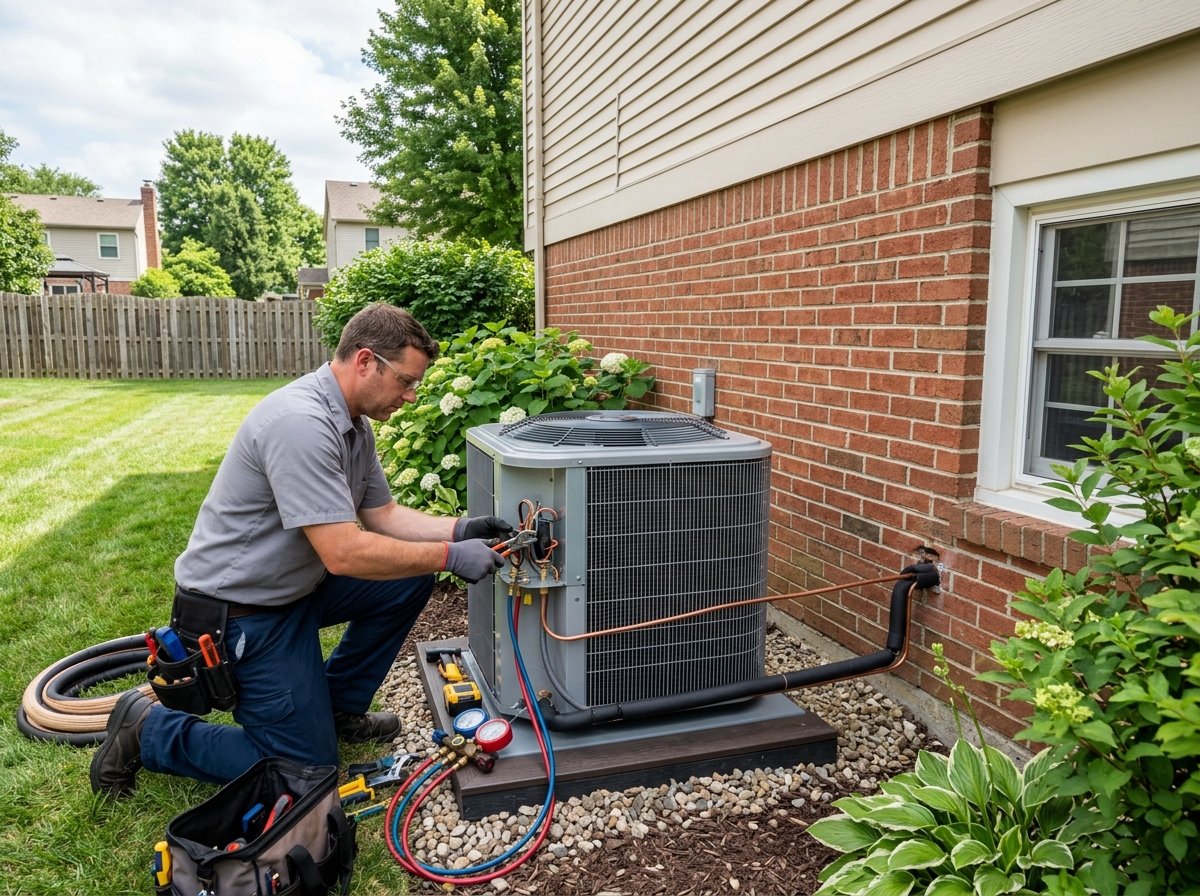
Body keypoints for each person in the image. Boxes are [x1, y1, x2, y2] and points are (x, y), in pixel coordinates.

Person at [90, 303, 511, 797]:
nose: (411, 395)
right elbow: (344, 554)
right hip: (240, 614)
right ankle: (147, 730)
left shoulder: (355, 426)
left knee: (406, 579)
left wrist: (460, 529)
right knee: (305, 773)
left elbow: (384, 517)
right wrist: (449, 558)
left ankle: (334, 707)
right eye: (405, 380)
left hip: (294, 590)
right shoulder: (301, 423)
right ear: (365, 360)